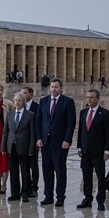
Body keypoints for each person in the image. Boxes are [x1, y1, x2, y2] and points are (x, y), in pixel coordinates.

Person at [36, 78, 77, 206]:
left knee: (60, 170)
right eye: (52, 87)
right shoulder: (43, 101)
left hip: (60, 142)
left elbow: (71, 122)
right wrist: (38, 138)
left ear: (61, 88)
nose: (53, 89)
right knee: (47, 170)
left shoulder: (68, 102)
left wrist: (67, 140)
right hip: (46, 142)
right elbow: (38, 120)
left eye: (56, 87)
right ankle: (48, 196)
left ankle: (60, 196)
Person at [76, 89, 109, 210]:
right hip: (85, 150)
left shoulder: (105, 114)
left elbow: (108, 134)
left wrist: (107, 151)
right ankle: (87, 198)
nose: (89, 100)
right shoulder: (83, 112)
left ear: (97, 99)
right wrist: (79, 146)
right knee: (86, 176)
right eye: (87, 97)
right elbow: (81, 131)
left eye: (91, 98)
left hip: (98, 151)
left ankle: (100, 200)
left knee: (100, 177)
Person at [4, 91, 35, 202]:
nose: (17, 102)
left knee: (25, 171)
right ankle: (15, 193)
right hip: (11, 146)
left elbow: (32, 134)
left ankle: (25, 192)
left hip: (24, 147)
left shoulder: (30, 115)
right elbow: (6, 132)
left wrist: (32, 148)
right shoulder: (10, 114)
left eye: (20, 100)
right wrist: (3, 147)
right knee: (13, 171)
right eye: (16, 100)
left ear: (24, 102)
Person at [20, 86, 42, 197]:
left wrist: (38, 139)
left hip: (33, 141)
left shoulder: (37, 107)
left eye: (25, 93)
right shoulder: (19, 106)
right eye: (21, 93)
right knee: (24, 166)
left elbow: (39, 124)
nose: (22, 95)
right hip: (21, 141)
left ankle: (34, 187)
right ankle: (25, 186)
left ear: (31, 94)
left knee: (33, 165)